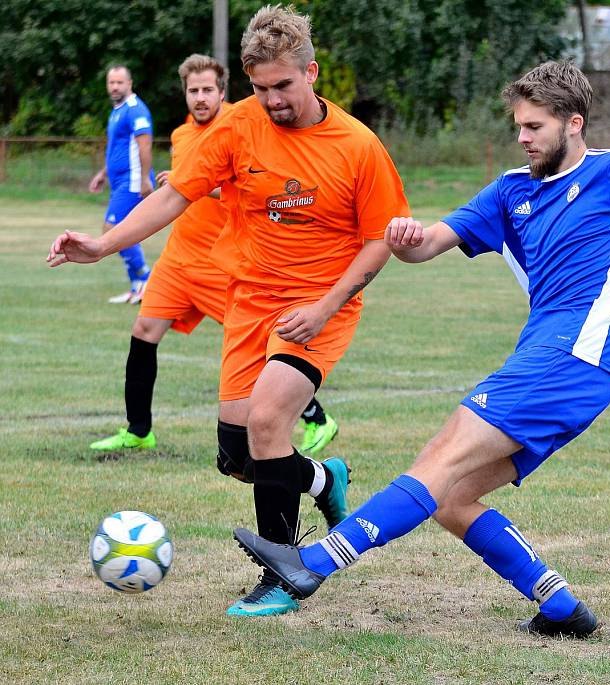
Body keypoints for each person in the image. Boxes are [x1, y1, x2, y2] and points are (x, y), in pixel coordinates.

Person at [227, 61, 610, 637]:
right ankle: (561, 607)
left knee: (439, 461)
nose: (523, 138)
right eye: (519, 127)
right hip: (555, 362)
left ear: (573, 123)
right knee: (453, 497)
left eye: (534, 127)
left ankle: (312, 564)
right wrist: (405, 239)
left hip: (573, 359)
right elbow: (429, 243)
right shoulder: (510, 190)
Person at [48, 5, 410, 617]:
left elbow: (379, 239)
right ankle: (324, 479)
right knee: (238, 458)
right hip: (249, 302)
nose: (272, 101)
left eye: (284, 86)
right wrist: (104, 245)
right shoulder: (236, 127)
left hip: (317, 309)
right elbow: (174, 194)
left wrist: (324, 308)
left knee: (268, 422)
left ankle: (284, 576)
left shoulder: (357, 146)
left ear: (311, 72)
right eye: (261, 88)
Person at [88, 53, 339, 461]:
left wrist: (203, 185)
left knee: (263, 348)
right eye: (193, 91)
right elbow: (175, 198)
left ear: (223, 93)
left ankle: (317, 417)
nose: (200, 98)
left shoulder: (242, 130)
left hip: (220, 264)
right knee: (144, 331)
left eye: (208, 90)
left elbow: (257, 192)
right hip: (177, 261)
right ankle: (138, 430)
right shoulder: (183, 136)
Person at [89, 65, 154, 303]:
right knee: (122, 233)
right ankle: (137, 285)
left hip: (133, 181)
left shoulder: (135, 110)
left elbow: (144, 145)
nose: (115, 86)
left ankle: (145, 278)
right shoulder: (117, 111)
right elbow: (118, 149)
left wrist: (145, 178)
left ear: (130, 83)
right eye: (111, 82)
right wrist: (103, 173)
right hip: (119, 181)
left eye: (119, 82)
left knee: (112, 230)